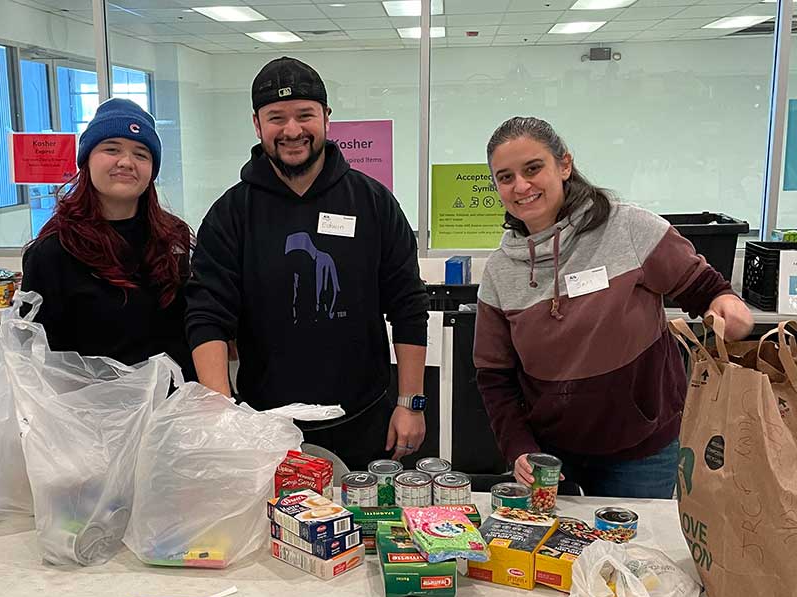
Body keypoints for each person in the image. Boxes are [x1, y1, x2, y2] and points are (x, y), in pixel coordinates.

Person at [473, 116, 753, 499]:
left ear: (564, 165)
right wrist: (518, 446)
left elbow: (703, 288)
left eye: (533, 168)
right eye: (505, 177)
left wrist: (726, 306)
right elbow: (494, 377)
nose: (521, 186)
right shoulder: (499, 272)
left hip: (643, 452)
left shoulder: (629, 228)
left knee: (636, 555)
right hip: (552, 457)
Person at [185, 57, 429, 470]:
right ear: (257, 124)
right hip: (264, 428)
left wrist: (412, 403)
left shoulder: (372, 202)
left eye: (305, 115)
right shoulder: (231, 213)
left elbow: (408, 305)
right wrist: (223, 414)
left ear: (327, 119)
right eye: (276, 117)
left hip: (366, 421)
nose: (292, 130)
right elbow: (206, 314)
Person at [22, 98, 195, 378]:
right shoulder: (54, 251)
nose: (126, 162)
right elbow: (36, 357)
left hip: (174, 407)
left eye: (141, 154)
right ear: (86, 161)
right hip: (94, 411)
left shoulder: (172, 238)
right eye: (111, 149)